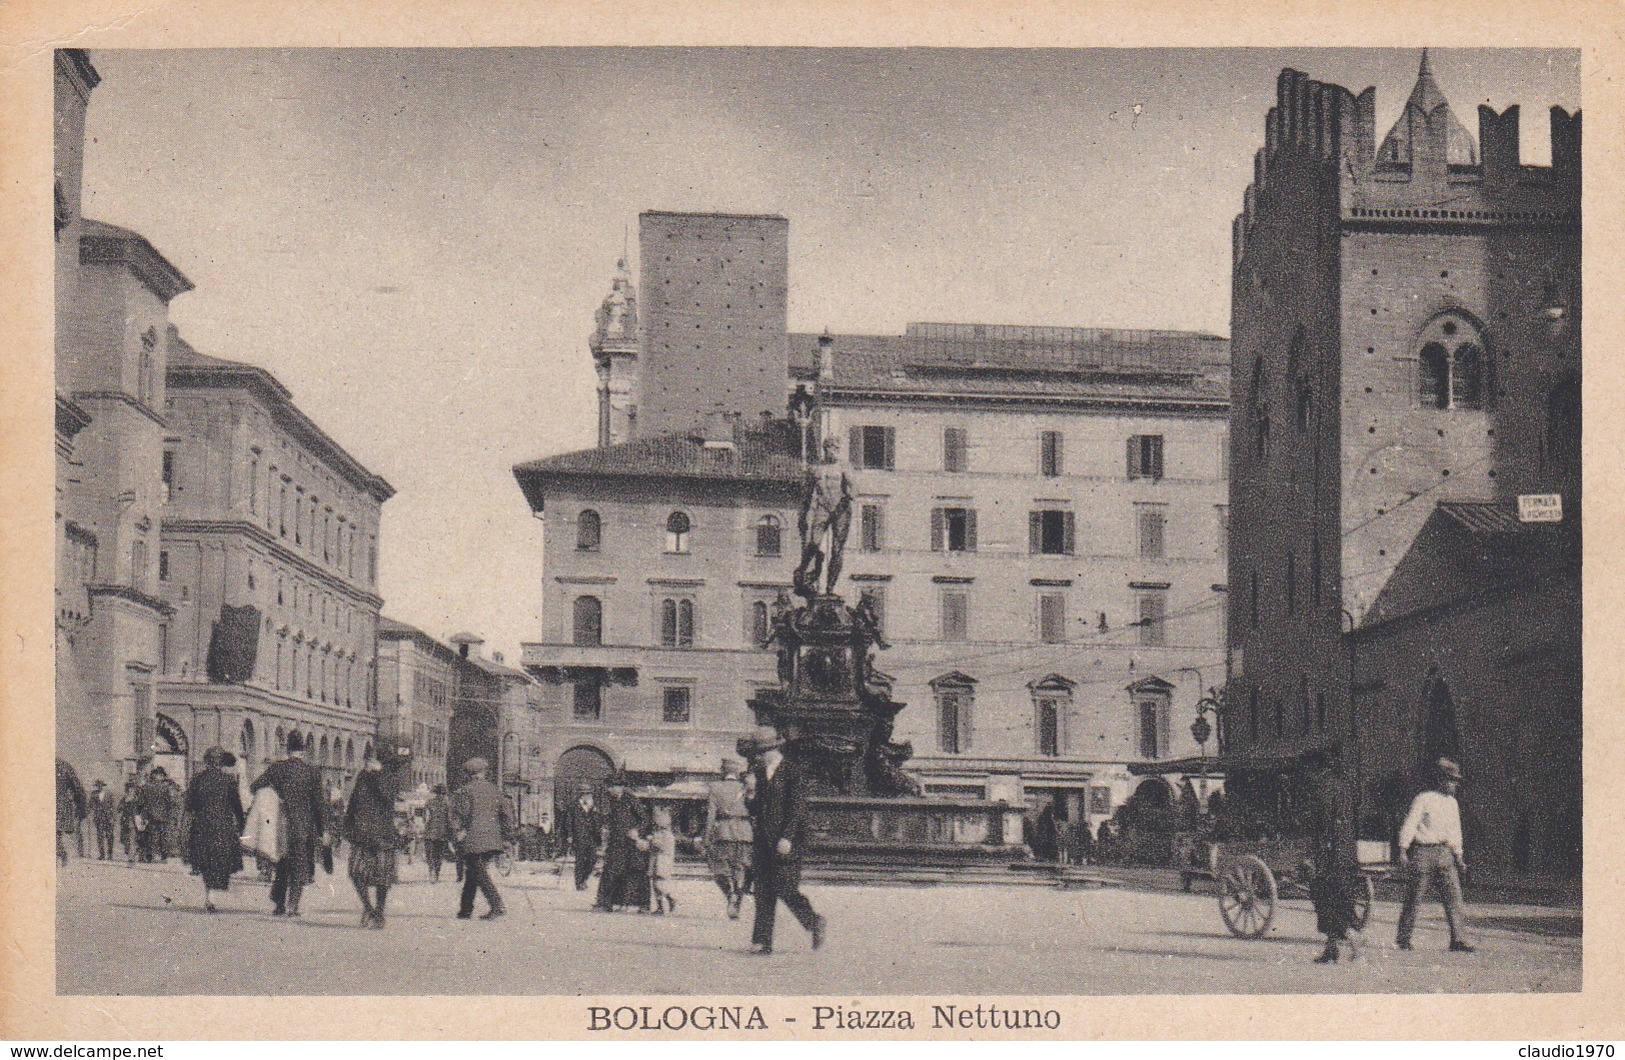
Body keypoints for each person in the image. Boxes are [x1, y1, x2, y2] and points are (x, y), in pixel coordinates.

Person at [741, 726, 825, 955]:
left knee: (786, 887)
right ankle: (761, 941)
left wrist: (787, 836)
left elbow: (797, 808)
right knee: (763, 891)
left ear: (773, 749)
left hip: (789, 840)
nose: (757, 757)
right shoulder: (759, 773)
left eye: (760, 752)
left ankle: (814, 921)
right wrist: (750, 794)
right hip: (764, 840)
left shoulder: (792, 771)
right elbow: (755, 809)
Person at [1396, 756, 1475, 953]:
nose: (1454, 785)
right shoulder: (1424, 798)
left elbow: (1455, 832)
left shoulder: (1452, 803)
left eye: (1456, 781)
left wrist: (1459, 857)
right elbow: (1411, 824)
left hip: (1445, 853)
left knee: (1454, 897)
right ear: (1440, 780)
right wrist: (1403, 849)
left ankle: (1458, 939)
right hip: (1423, 852)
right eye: (1451, 780)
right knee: (1415, 897)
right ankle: (1404, 938)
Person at [250, 731, 326, 917]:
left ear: (287, 748)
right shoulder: (311, 772)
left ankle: (279, 905)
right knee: (299, 864)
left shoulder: (278, 768)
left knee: (282, 865)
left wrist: (274, 797)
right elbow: (318, 804)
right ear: (303, 750)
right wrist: (323, 829)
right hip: (303, 826)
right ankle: (293, 905)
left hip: (281, 824)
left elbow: (255, 786)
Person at [1304, 749, 1360, 963]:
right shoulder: (1345, 785)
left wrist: (1319, 851)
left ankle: (1351, 938)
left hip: (1330, 853)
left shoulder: (1324, 786)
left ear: (1317, 767)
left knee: (1325, 896)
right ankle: (1332, 949)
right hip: (1346, 850)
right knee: (1340, 895)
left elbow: (1325, 820)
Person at [185, 748, 246, 912]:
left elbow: (189, 805)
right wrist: (242, 824)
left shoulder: (198, 779)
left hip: (202, 824)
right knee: (219, 860)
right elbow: (237, 806)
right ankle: (212, 897)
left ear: (207, 761)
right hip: (223, 826)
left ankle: (209, 897)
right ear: (220, 762)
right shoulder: (229, 780)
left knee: (206, 861)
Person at [345, 748, 400, 928]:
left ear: (378, 761)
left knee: (383, 877)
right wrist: (347, 825)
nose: (367, 763)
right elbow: (354, 800)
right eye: (366, 760)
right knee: (355, 871)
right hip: (362, 833)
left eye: (370, 760)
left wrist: (377, 774)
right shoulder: (362, 776)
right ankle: (368, 908)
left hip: (383, 835)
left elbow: (387, 797)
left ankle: (379, 912)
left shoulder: (388, 776)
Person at [451, 758, 511, 920]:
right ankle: (465, 909)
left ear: (469, 774)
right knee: (473, 872)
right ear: (484, 772)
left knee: (477, 871)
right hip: (493, 838)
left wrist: (458, 832)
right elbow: (506, 815)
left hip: (473, 837)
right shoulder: (495, 790)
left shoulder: (465, 791)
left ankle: (497, 904)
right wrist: (506, 838)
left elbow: (462, 814)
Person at [703, 758, 753, 919]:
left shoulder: (715, 787)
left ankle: (729, 893)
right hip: (745, 833)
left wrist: (706, 836)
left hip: (724, 833)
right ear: (738, 772)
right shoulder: (745, 788)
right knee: (741, 868)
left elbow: (711, 815)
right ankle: (737, 899)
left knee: (720, 869)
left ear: (723, 771)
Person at [595, 772, 650, 912]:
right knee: (611, 871)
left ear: (619, 787)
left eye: (611, 787)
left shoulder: (631, 800)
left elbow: (644, 820)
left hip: (630, 844)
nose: (608, 790)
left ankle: (642, 905)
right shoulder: (613, 801)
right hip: (616, 842)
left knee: (635, 873)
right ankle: (605, 903)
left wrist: (637, 830)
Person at [642, 803, 679, 915]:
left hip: (662, 862)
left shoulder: (667, 835)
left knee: (659, 883)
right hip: (656, 861)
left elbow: (660, 845)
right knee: (655, 884)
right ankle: (660, 906)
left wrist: (650, 841)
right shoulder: (659, 833)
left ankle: (670, 897)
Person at [567, 783, 603, 891]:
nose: (586, 795)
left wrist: (593, 811)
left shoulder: (594, 806)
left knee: (592, 859)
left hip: (592, 837)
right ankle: (579, 883)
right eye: (583, 793)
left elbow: (599, 821)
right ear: (580, 794)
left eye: (588, 793)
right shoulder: (573, 806)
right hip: (579, 837)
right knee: (580, 861)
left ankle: (584, 879)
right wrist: (569, 835)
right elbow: (568, 822)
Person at [136, 766, 173, 863]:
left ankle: (149, 856)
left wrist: (140, 814)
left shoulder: (145, 787)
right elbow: (169, 802)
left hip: (149, 815)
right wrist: (169, 814)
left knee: (150, 836)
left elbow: (140, 802)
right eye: (160, 775)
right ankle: (163, 857)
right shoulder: (165, 788)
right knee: (162, 836)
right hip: (162, 815)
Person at [56, 758, 87, 866]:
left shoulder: (63, 766)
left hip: (59, 808)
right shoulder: (63, 765)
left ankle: (61, 853)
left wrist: (81, 810)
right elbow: (78, 788)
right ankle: (60, 853)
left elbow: (77, 788)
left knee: (58, 832)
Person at [423, 783, 453, 883]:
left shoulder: (429, 802)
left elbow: (425, 818)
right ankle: (436, 873)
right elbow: (450, 819)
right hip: (442, 832)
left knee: (429, 853)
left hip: (430, 831)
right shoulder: (448, 804)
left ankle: (431, 870)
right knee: (439, 854)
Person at [89, 779, 117, 860]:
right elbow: (90, 805)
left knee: (110, 836)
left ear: (103, 785)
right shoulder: (93, 794)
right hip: (99, 818)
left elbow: (113, 806)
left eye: (101, 785)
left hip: (109, 818)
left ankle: (110, 854)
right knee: (100, 836)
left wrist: (113, 818)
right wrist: (90, 814)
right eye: (98, 785)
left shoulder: (109, 794)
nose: (99, 786)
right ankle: (102, 854)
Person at [118, 778, 140, 861]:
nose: (131, 790)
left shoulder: (137, 799)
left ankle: (131, 857)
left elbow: (141, 809)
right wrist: (124, 804)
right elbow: (119, 809)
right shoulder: (124, 799)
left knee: (132, 839)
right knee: (125, 840)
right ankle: (130, 852)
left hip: (134, 822)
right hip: (125, 821)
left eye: (132, 789)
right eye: (129, 789)